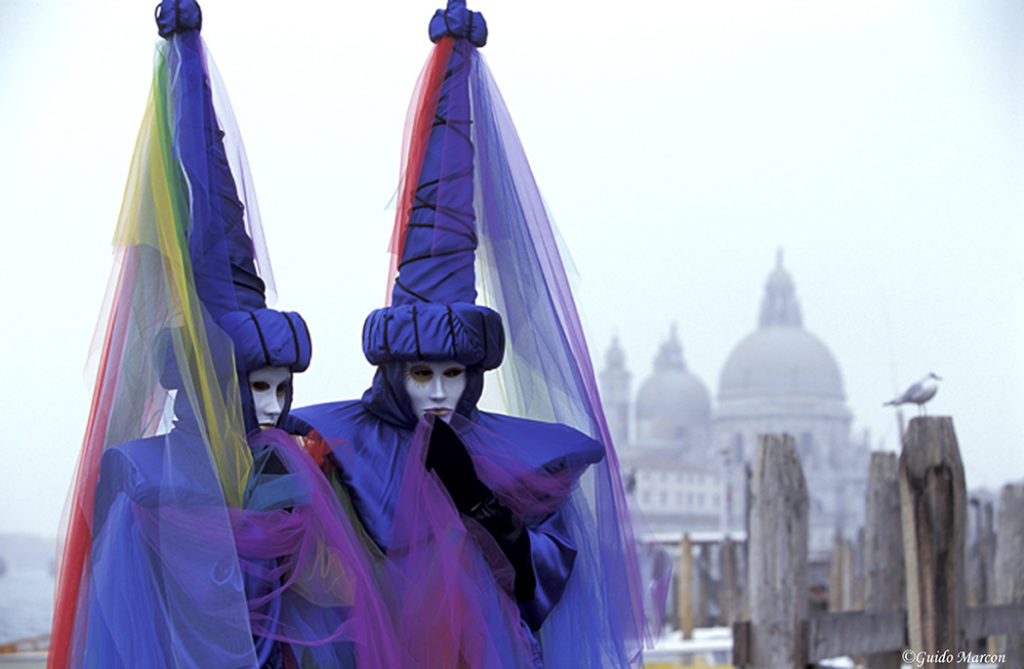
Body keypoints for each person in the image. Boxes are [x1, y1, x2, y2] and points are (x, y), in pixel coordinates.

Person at [294, 2, 660, 666]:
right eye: (421, 372)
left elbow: (538, 580)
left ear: (474, 373)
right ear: (393, 370)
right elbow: (316, 581)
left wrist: (477, 500)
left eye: (451, 372)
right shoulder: (343, 450)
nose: (436, 389)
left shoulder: (517, 459)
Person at [49, 3, 403, 667]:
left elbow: (338, 604)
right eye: (254, 387)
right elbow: (132, 631)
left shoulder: (300, 473)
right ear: (211, 384)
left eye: (279, 387)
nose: (273, 408)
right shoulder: (146, 484)